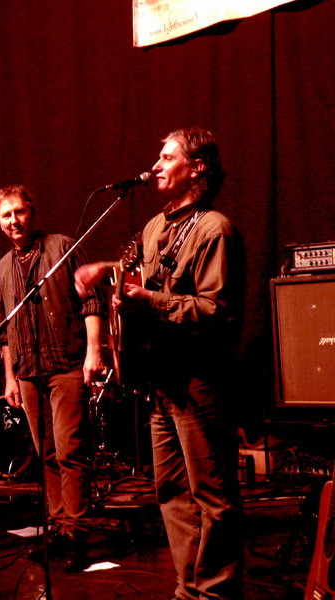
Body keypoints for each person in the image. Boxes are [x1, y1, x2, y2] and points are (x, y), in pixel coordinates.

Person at [75, 128, 245, 599]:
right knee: (170, 491)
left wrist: (150, 299)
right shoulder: (155, 226)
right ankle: (187, 589)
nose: (156, 163)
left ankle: (215, 592)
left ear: (196, 168)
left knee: (212, 496)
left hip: (199, 379)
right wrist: (107, 271)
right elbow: (145, 278)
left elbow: (218, 311)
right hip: (161, 379)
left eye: (167, 156)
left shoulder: (215, 229)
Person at [0, 185, 105, 571]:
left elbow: (92, 302)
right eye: (6, 215)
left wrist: (95, 351)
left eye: (19, 212)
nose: (14, 221)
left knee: (71, 451)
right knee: (47, 455)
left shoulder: (62, 246)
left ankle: (77, 534)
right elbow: (4, 329)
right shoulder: (4, 266)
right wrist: (9, 378)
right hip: (27, 372)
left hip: (66, 363)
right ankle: (57, 529)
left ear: (31, 213)